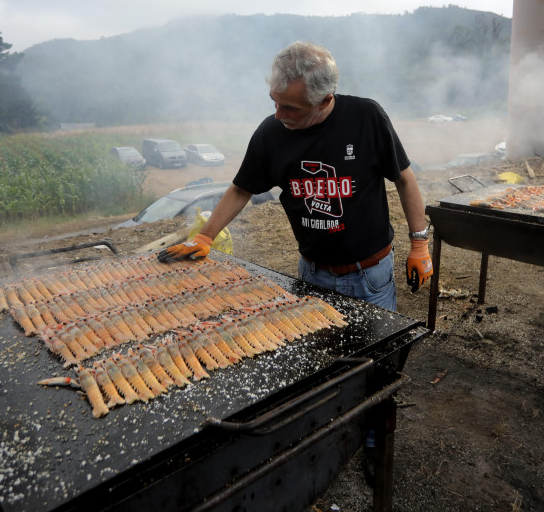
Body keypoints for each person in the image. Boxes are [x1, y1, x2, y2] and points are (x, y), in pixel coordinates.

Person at [158, 41, 432, 311]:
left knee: (379, 353)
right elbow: (242, 189)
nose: (278, 114)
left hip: (370, 277)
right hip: (312, 274)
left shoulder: (366, 118)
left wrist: (419, 244)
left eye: (289, 108)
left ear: (324, 101)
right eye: (274, 102)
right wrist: (205, 237)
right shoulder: (271, 133)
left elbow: (404, 179)